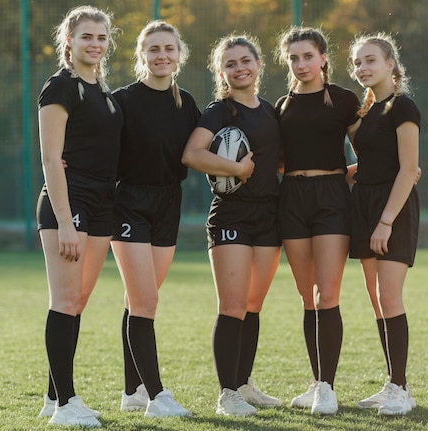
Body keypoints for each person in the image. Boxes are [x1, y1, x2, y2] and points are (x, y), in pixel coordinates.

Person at [181, 34, 282, 417]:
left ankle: (244, 384)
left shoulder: (271, 111)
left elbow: (280, 161)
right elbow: (192, 154)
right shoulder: (219, 111)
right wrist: (236, 169)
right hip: (231, 216)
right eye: (230, 63)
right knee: (233, 305)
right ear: (221, 72)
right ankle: (227, 394)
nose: (239, 68)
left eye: (245, 61)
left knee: (253, 306)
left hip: (269, 216)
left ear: (259, 65)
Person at [35, 6, 122, 428]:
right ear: (68, 41)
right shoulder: (60, 87)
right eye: (87, 36)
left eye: (102, 37)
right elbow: (51, 159)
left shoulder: (104, 93)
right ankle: (67, 405)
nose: (95, 44)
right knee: (65, 301)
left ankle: (54, 399)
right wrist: (65, 220)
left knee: (78, 302)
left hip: (104, 205)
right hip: (69, 204)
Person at [110, 20, 199, 418]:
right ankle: (158, 396)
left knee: (137, 300)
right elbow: (96, 143)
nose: (162, 56)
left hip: (169, 203)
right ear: (141, 55)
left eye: (169, 49)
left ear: (179, 55)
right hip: (128, 201)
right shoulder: (123, 100)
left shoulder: (188, 104)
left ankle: (133, 392)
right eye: (153, 49)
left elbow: (202, 151)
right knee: (146, 301)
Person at [273, 27, 360, 415]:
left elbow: (369, 148)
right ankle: (316, 381)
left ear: (323, 57)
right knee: (307, 297)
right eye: (294, 58)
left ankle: (327, 387)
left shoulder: (343, 100)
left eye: (307, 56)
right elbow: (277, 160)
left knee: (328, 294)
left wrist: (346, 175)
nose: (301, 64)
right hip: (291, 198)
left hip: (331, 200)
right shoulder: (281, 105)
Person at [346, 32, 420, 416]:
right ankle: (393, 382)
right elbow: (376, 162)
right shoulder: (366, 112)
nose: (362, 68)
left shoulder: (402, 106)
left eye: (370, 60)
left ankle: (401, 388)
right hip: (364, 204)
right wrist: (346, 173)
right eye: (358, 62)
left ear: (391, 65)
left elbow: (409, 170)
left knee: (389, 297)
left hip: (392, 209)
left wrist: (386, 222)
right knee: (377, 301)